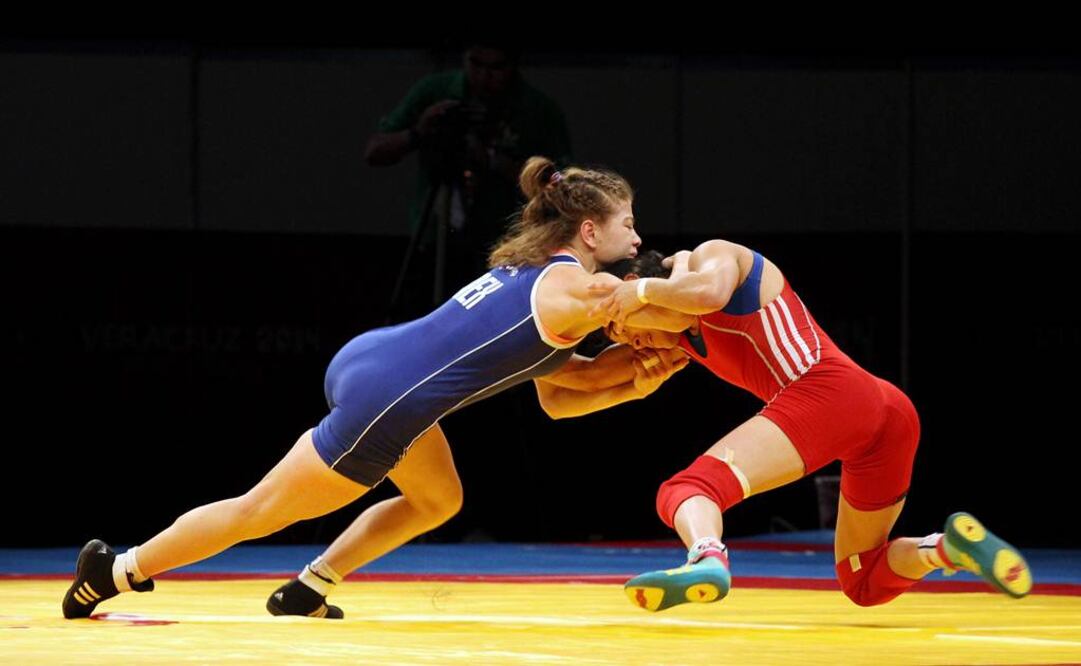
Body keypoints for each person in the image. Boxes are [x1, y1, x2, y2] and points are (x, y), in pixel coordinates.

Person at [61, 156, 652, 621]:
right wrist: (706, 290)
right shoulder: (578, 292)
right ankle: (114, 568)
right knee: (258, 512)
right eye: (628, 223)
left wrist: (643, 376)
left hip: (374, 360)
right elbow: (652, 305)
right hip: (389, 403)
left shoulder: (543, 271)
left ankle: (308, 589)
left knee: (438, 499)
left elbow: (563, 386)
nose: (637, 236)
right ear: (589, 229)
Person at [587, 242, 1032, 611]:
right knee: (864, 578)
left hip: (829, 392)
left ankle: (707, 556)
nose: (625, 337)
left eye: (617, 323)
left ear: (632, 288)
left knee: (686, 490)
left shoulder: (712, 256)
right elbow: (573, 387)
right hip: (883, 412)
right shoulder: (677, 336)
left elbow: (707, 294)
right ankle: (948, 548)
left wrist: (644, 290)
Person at [364, 42, 573, 308]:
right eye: (476, 64)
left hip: (506, 243)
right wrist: (420, 131)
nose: (484, 77)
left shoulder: (538, 109)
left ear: (513, 66)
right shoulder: (437, 92)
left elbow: (562, 186)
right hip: (434, 237)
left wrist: (490, 159)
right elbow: (374, 152)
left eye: (496, 67)